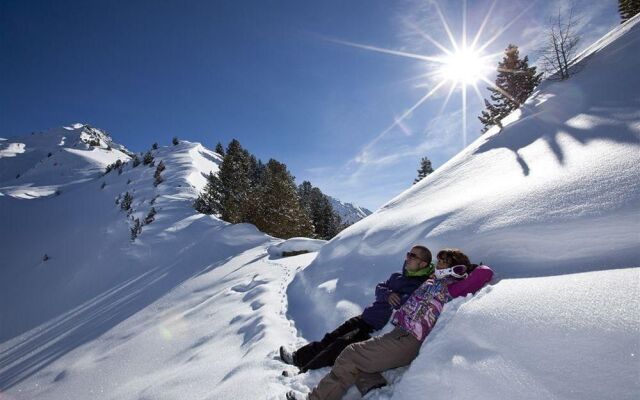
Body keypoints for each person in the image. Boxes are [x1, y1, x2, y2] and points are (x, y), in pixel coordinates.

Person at [286, 249, 494, 400]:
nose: (438, 265)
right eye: (438, 261)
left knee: (351, 354)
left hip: (409, 339)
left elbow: (485, 273)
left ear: (452, 267)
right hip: (398, 333)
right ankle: (376, 389)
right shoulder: (432, 281)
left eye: (443, 262)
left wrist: (464, 269)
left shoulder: (451, 288)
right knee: (363, 358)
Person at [280, 245, 434, 373]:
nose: (407, 258)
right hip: (365, 317)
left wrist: (397, 299)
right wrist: (387, 294)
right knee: (331, 337)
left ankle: (304, 373)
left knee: (337, 347)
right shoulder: (397, 276)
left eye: (413, 256)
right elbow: (380, 287)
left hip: (375, 328)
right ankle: (297, 358)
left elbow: (407, 306)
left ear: (423, 264)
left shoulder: (421, 285)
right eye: (408, 254)